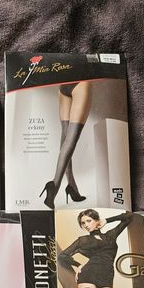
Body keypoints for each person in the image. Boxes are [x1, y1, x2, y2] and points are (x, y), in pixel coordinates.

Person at [40, 81, 92, 209]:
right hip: (81, 83)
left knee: (65, 133)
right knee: (72, 137)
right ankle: (55, 185)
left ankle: (72, 186)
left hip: (63, 86)